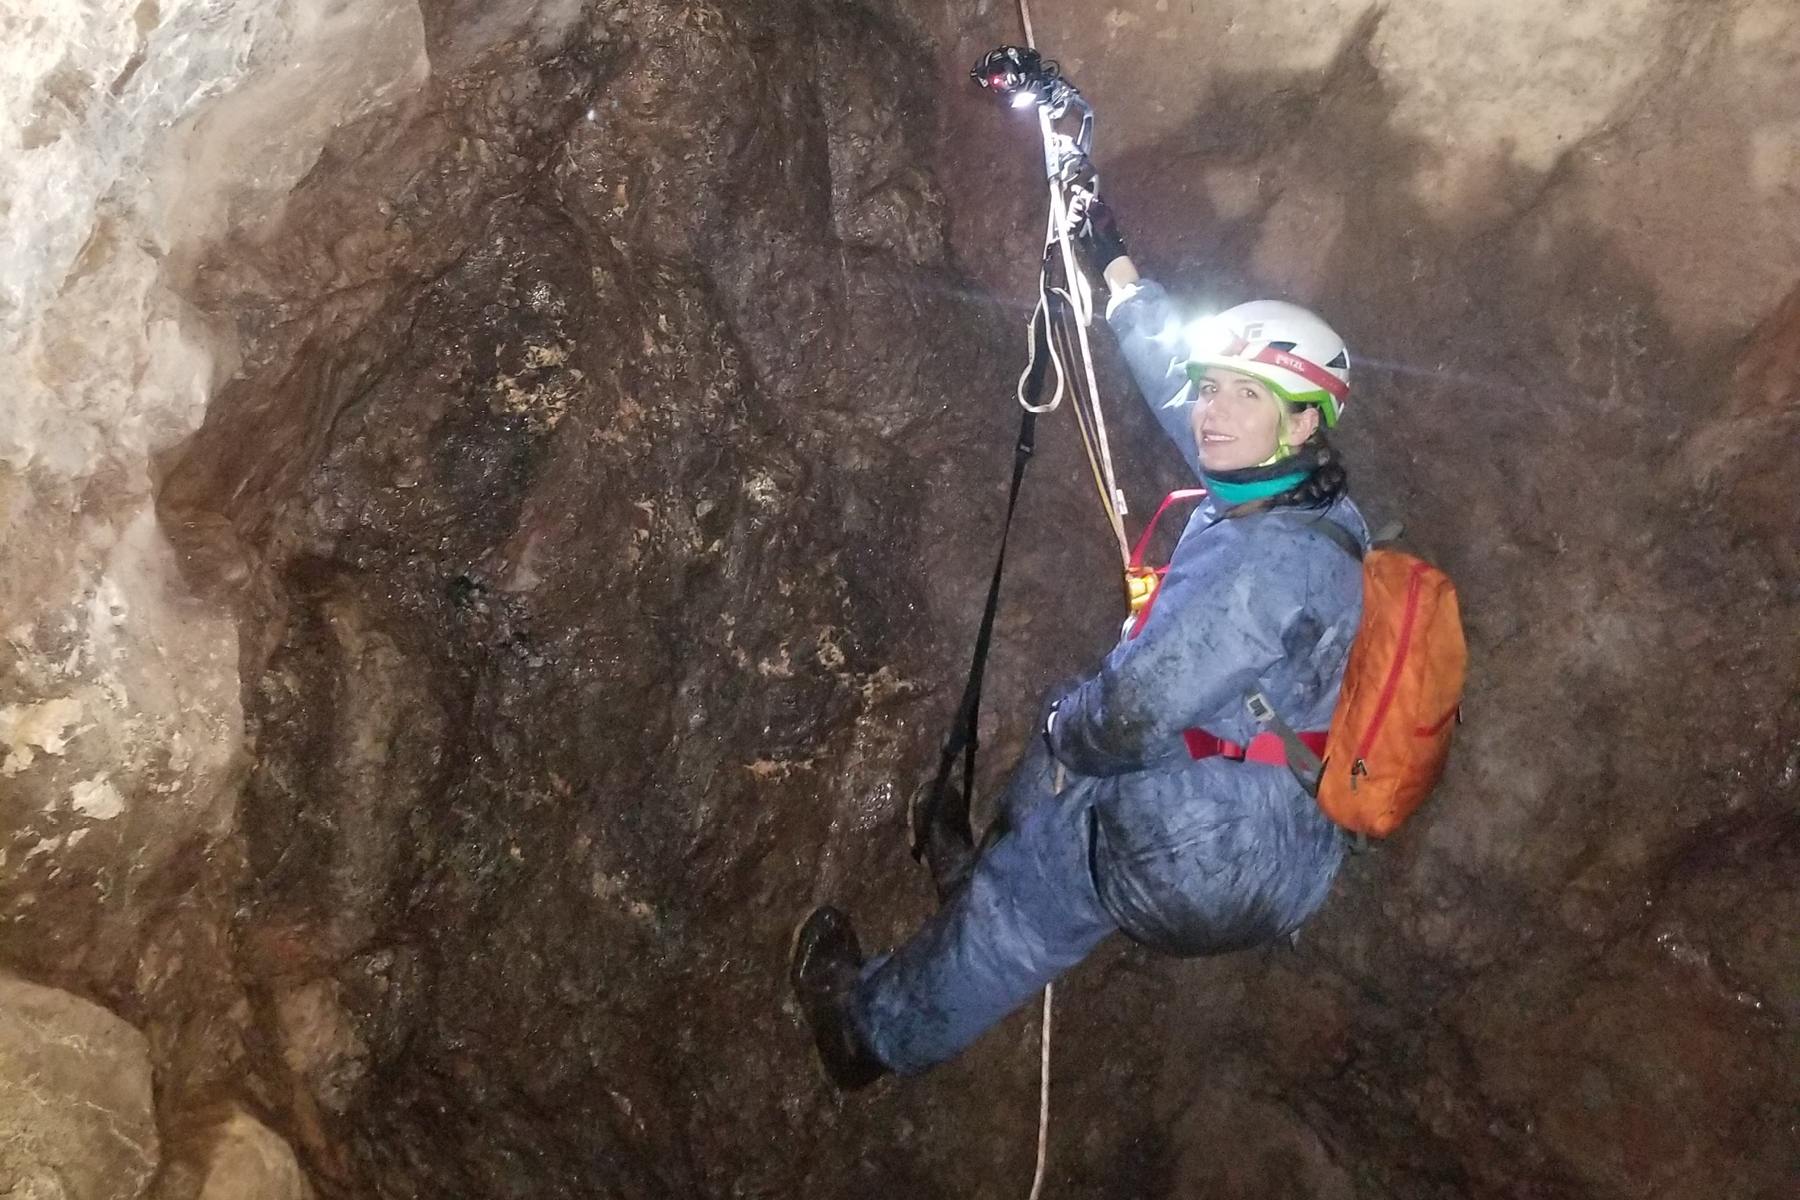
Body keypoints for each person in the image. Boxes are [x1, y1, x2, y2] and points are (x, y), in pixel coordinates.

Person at [790, 195, 1370, 1088]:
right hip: (1284, 818)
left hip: (1206, 852)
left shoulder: (1262, 570)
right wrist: (1119, 276)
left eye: (1243, 396)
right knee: (1074, 759)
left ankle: (867, 1035)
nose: (1212, 412)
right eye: (1214, 388)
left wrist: (1061, 725)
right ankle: (986, 872)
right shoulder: (1312, 502)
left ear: (1299, 421)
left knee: (1039, 870)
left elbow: (1128, 718)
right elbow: (1182, 391)